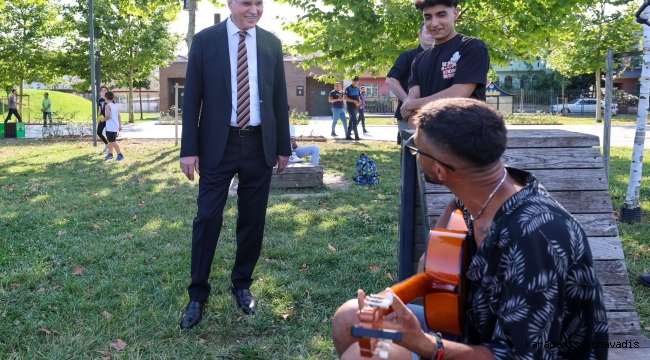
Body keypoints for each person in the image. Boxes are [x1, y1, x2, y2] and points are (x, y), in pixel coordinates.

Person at [332, 98, 609, 360]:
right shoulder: (486, 182)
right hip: (471, 329)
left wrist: (425, 344)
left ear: (440, 171)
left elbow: (522, 354)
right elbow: (456, 202)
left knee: (367, 355)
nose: (415, 156)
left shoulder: (535, 239)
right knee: (349, 318)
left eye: (416, 150)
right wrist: (433, 252)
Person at [179, 0, 291, 329]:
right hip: (218, 143)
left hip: (260, 144)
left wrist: (282, 145)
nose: (253, 9)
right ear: (230, 3)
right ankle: (198, 294)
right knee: (208, 217)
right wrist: (189, 149)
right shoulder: (205, 40)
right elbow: (191, 99)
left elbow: (279, 97)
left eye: (259, 3)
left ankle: (241, 284)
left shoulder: (271, 43)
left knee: (253, 219)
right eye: (247, 3)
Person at [400, 0, 490, 128]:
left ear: (455, 13)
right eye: (428, 17)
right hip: (426, 141)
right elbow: (411, 112)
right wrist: (427, 141)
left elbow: (458, 95)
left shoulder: (472, 48)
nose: (434, 23)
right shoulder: (419, 59)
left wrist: (410, 105)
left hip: (467, 140)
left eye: (441, 15)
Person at [386, 23, 434, 144]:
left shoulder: (445, 58)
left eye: (433, 31)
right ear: (420, 35)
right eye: (427, 32)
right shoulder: (408, 56)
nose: (431, 35)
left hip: (436, 116)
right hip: (408, 116)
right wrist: (409, 103)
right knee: (410, 157)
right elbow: (391, 80)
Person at [100, 91, 124, 161]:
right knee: (110, 141)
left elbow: (108, 116)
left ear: (105, 98)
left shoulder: (107, 106)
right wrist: (119, 125)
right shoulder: (115, 106)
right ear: (113, 98)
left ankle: (120, 155)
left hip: (111, 126)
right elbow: (118, 116)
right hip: (114, 126)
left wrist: (103, 120)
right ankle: (110, 154)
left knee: (113, 141)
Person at [344, 76, 361, 141]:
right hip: (350, 107)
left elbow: (358, 97)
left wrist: (359, 101)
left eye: (357, 81)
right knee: (355, 121)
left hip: (356, 107)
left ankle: (348, 136)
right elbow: (345, 98)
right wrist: (354, 101)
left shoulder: (357, 89)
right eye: (354, 81)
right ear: (352, 81)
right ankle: (356, 137)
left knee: (351, 121)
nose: (355, 82)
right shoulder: (348, 88)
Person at [97, 86, 110, 154]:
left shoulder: (110, 100)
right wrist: (98, 119)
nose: (104, 92)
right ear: (100, 92)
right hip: (102, 119)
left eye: (105, 90)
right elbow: (99, 110)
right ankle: (106, 143)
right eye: (102, 90)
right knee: (99, 132)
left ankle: (109, 148)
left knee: (108, 133)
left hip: (109, 118)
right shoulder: (100, 100)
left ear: (107, 91)